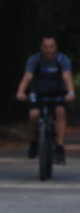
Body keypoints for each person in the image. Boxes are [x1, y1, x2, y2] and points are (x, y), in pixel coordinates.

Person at [16, 36, 75, 164]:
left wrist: (70, 92)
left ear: (55, 47)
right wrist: (21, 91)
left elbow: (66, 77)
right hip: (37, 93)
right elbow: (27, 77)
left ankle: (59, 147)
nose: (48, 50)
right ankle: (34, 141)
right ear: (41, 47)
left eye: (51, 47)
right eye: (45, 47)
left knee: (60, 111)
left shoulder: (61, 59)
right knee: (33, 114)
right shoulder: (35, 59)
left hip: (57, 93)